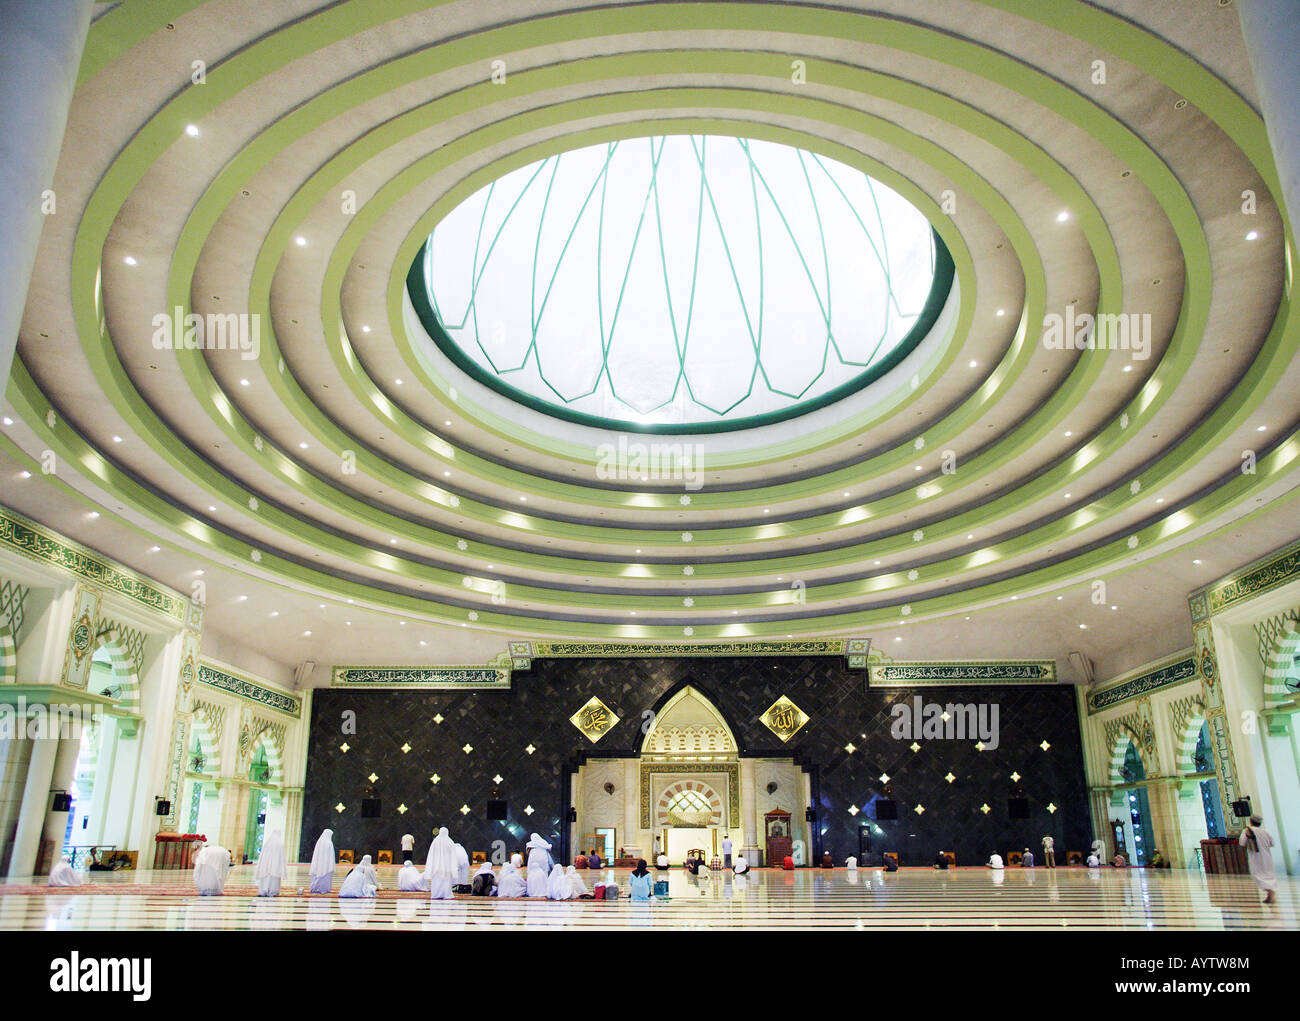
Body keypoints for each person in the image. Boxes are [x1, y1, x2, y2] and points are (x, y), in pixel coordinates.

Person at [1240, 814, 1278, 904]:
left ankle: (1271, 893)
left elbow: (1242, 842)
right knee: (1268, 874)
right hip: (1267, 857)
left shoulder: (1247, 831)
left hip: (1255, 857)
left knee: (1258, 875)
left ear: (1251, 821)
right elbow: (1272, 843)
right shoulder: (1265, 832)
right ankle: (1269, 895)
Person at [425, 827, 458, 899]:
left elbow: (431, 855)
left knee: (437, 881)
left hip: (436, 867)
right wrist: (453, 868)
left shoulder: (435, 842)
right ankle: (446, 894)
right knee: (446, 882)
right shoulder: (450, 842)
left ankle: (436, 894)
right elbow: (453, 856)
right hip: (447, 866)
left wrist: (431, 866)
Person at [256, 828, 288, 897]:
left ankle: (263, 891)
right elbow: (281, 857)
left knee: (265, 880)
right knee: (273, 880)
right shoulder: (280, 844)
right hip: (275, 866)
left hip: (265, 866)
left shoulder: (267, 843)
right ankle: (272, 892)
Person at [308, 828, 336, 894]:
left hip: (318, 864)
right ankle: (324, 889)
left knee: (317, 875)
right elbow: (331, 856)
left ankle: (315, 888)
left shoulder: (319, 842)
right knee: (325, 877)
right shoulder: (329, 843)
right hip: (326, 865)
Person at [525, 833, 552, 897]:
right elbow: (549, 848)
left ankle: (533, 888)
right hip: (543, 858)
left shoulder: (530, 844)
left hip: (533, 858)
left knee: (533, 874)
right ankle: (543, 888)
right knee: (543, 874)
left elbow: (527, 852)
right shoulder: (543, 842)